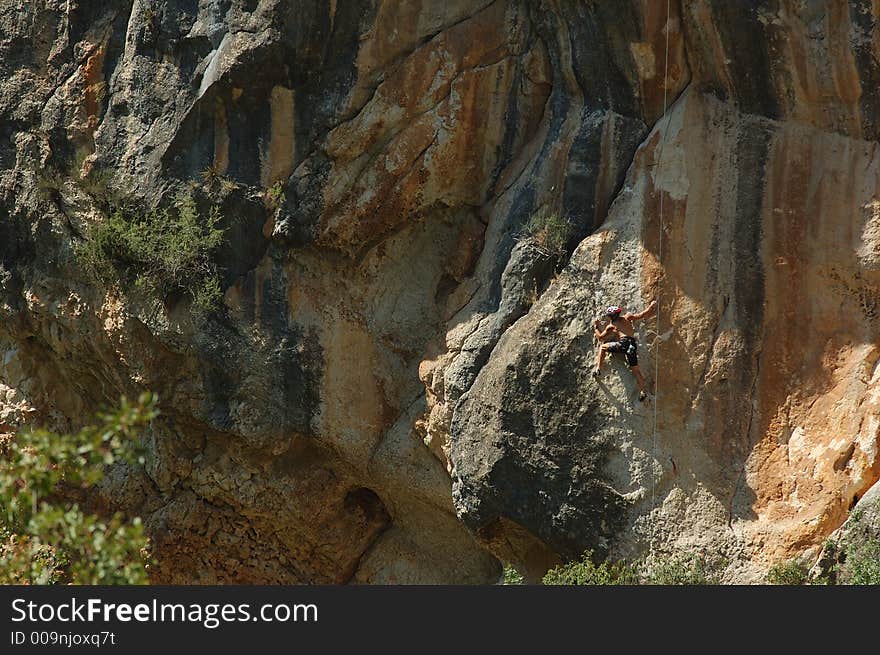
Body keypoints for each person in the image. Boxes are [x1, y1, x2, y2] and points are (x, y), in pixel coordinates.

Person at [592, 300, 657, 401]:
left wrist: (596, 327)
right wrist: (651, 306)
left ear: (610, 316)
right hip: (632, 345)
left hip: (623, 343)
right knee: (636, 370)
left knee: (603, 347)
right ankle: (642, 391)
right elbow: (642, 314)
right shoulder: (628, 317)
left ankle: (598, 369)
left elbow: (600, 337)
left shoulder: (611, 326)